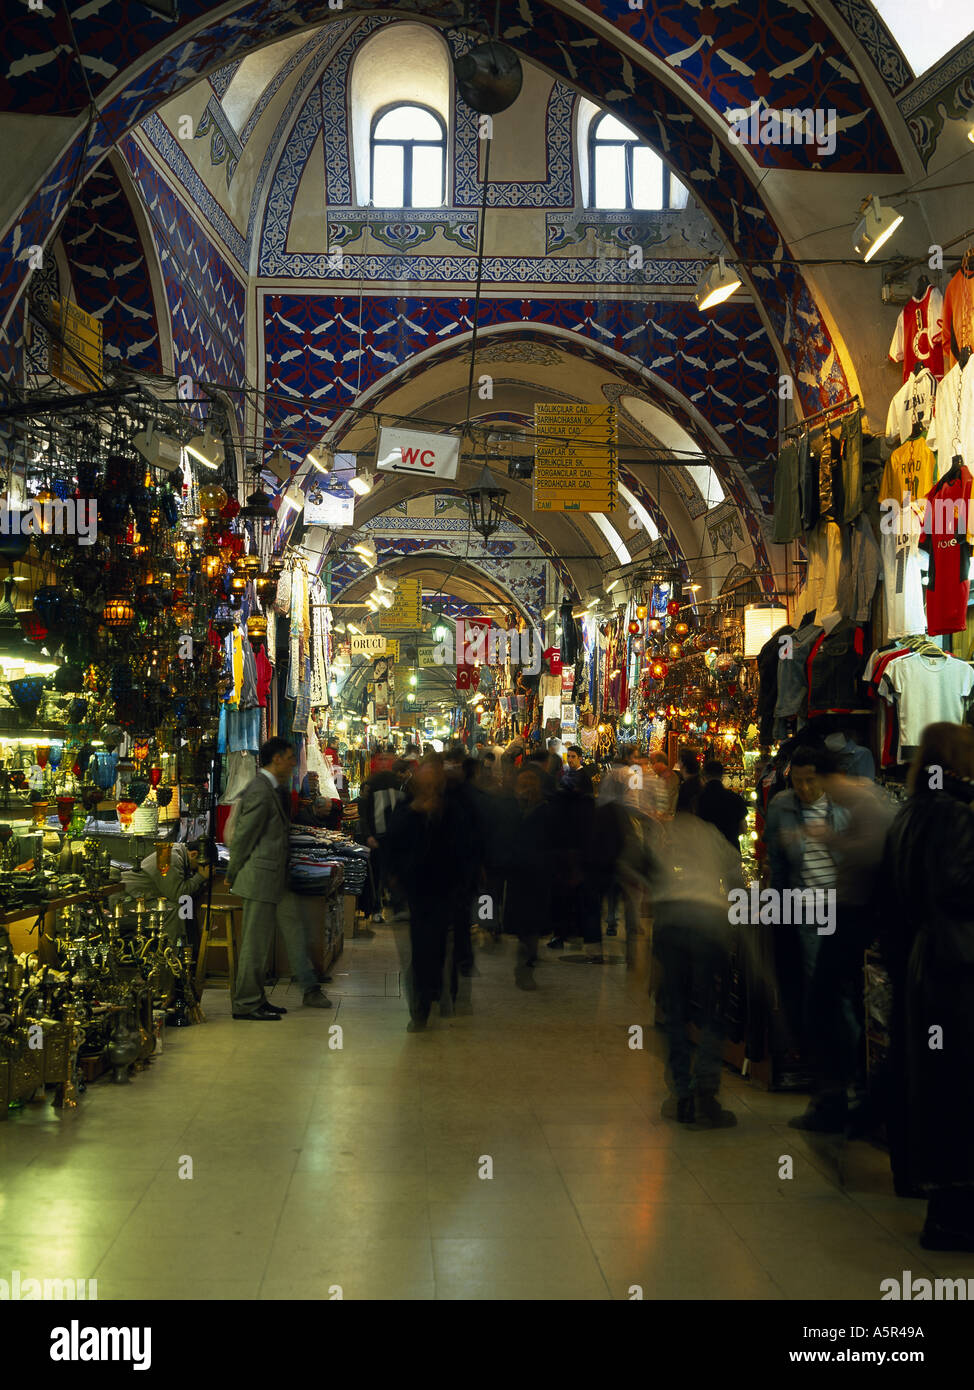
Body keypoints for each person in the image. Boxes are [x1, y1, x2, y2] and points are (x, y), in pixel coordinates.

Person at [881, 723, 974, 1248]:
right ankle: (954, 1215)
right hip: (954, 966)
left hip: (921, 963)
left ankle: (937, 1200)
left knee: (933, 1083)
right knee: (958, 1088)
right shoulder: (953, 817)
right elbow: (957, 887)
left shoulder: (909, 814)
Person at [763, 745, 850, 1120]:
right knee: (818, 990)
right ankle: (833, 1078)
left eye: (810, 781)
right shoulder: (782, 806)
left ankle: (842, 1076)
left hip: (842, 908)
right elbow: (778, 864)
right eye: (797, 781)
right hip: (804, 908)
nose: (803, 789)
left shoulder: (844, 806)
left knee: (832, 992)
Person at [648, 811, 744, 1125]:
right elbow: (735, 884)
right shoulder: (714, 836)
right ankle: (705, 1092)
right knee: (714, 1012)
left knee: (675, 1011)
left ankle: (681, 1096)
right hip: (708, 927)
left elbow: (649, 882)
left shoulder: (664, 836)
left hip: (672, 928)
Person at [226, 737, 332, 1019]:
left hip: (276, 876)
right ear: (275, 760)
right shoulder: (260, 790)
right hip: (260, 877)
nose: (293, 762)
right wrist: (232, 872)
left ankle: (285, 992)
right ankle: (247, 1002)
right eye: (288, 757)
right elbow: (244, 836)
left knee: (294, 932)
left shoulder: (274, 789)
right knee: (256, 943)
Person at [384, 755, 473, 1031]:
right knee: (424, 948)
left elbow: (465, 847)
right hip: (420, 890)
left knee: (440, 947)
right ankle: (422, 1005)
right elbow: (393, 844)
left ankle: (438, 993)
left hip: (447, 888)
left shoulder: (453, 810)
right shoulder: (407, 809)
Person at [503, 763, 557, 990]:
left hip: (535, 876)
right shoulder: (514, 810)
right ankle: (525, 966)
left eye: (528, 786)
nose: (525, 790)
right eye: (522, 785)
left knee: (531, 927)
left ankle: (525, 967)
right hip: (520, 876)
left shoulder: (543, 812)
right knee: (527, 927)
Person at [121, 839, 211, 946]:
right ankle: (171, 956)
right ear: (193, 854)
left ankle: (186, 950)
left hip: (140, 898)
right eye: (201, 865)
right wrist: (200, 877)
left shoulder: (178, 853)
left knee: (184, 906)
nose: (200, 868)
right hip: (126, 901)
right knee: (173, 910)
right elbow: (178, 895)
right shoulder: (170, 858)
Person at [358, 755, 406, 923]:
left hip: (395, 837)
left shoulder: (400, 784)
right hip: (379, 836)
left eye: (387, 760)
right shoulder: (371, 784)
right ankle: (377, 909)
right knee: (378, 874)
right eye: (382, 760)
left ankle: (397, 906)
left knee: (394, 871)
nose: (384, 763)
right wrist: (368, 835)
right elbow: (363, 813)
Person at [697, 759, 748, 852]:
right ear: (722, 776)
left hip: (707, 853)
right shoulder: (735, 798)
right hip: (731, 850)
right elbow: (743, 829)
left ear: (704, 776)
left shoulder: (698, 799)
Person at [675, 748, 703, 814]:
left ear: (682, 762)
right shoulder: (700, 782)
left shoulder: (686, 787)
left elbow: (682, 813)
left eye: (678, 761)